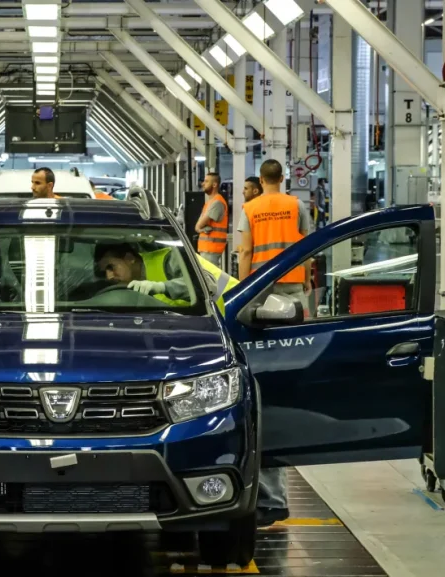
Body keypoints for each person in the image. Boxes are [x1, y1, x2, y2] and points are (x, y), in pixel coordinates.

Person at [236, 158, 312, 528]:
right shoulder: (297, 206)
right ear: (282, 179)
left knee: (260, 369)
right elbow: (308, 247)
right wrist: (309, 282)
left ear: (261, 180)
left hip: (261, 292)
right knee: (294, 360)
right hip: (294, 288)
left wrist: (240, 291)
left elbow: (245, 253)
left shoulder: (249, 208)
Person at [95, 243, 237, 312]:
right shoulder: (133, 286)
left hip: (235, 307)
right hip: (209, 319)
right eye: (104, 272)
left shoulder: (168, 259)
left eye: (111, 267)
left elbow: (208, 284)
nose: (109, 276)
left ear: (130, 258)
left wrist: (162, 287)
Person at [194, 172, 228, 268]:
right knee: (211, 278)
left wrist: (200, 228)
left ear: (214, 184)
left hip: (212, 248)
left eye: (206, 181)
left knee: (211, 279)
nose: (203, 183)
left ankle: (224, 284)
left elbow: (198, 226)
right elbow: (197, 226)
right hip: (207, 248)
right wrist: (199, 228)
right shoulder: (210, 202)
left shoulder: (217, 202)